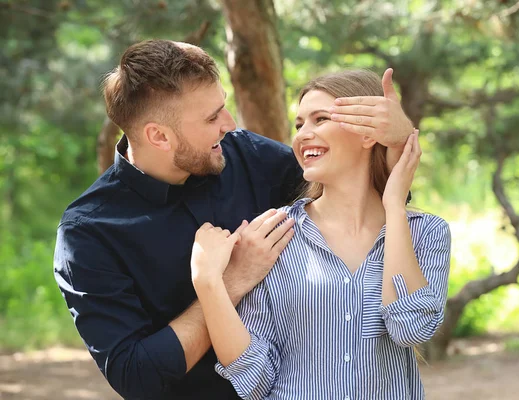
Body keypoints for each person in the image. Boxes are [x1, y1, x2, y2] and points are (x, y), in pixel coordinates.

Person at [53, 40, 414, 399]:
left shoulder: (250, 156)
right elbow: (137, 377)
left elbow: (368, 194)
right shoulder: (88, 233)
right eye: (212, 118)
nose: (229, 124)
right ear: (158, 136)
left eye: (222, 107)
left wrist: (395, 140)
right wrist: (228, 283)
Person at [191, 70, 451, 399]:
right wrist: (209, 284)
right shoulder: (275, 234)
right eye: (299, 125)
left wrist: (394, 205)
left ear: (368, 133)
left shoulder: (426, 233)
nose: (303, 135)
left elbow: (410, 328)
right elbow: (254, 378)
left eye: (320, 119)